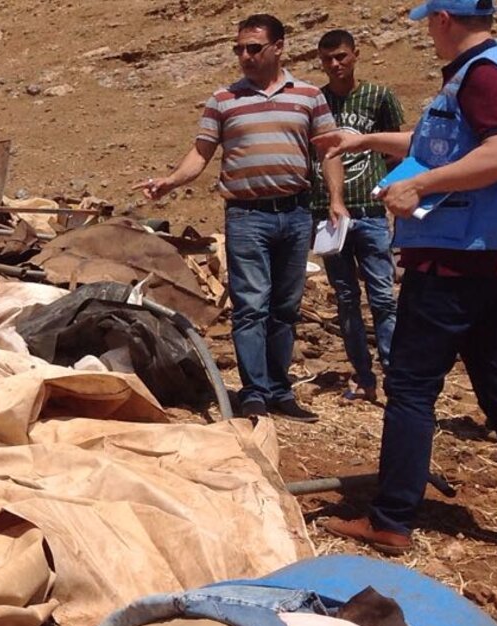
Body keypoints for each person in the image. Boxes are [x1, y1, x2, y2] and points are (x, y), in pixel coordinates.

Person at [317, 0, 497, 554]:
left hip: (455, 260)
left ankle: (391, 518)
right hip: (492, 257)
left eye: (429, 22)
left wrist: (419, 188)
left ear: (444, 20)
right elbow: (442, 146)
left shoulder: (483, 75)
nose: (428, 32)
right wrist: (366, 141)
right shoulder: (489, 72)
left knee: (410, 386)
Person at [136, 14, 345, 423]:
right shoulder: (224, 99)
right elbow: (201, 153)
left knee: (286, 307)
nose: (244, 56)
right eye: (239, 49)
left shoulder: (307, 96)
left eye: (254, 48)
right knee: (251, 306)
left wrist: (336, 200)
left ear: (279, 47)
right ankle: (253, 393)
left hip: (296, 212)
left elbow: (328, 152)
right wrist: (170, 182)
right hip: (247, 215)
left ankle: (280, 391)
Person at [310, 29, 404, 403]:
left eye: (342, 57)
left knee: (382, 296)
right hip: (329, 218)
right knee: (346, 299)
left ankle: (396, 380)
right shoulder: (316, 101)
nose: (335, 65)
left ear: (356, 55)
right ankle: (364, 377)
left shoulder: (378, 98)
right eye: (328, 59)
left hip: (369, 211)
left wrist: (389, 188)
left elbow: (396, 148)